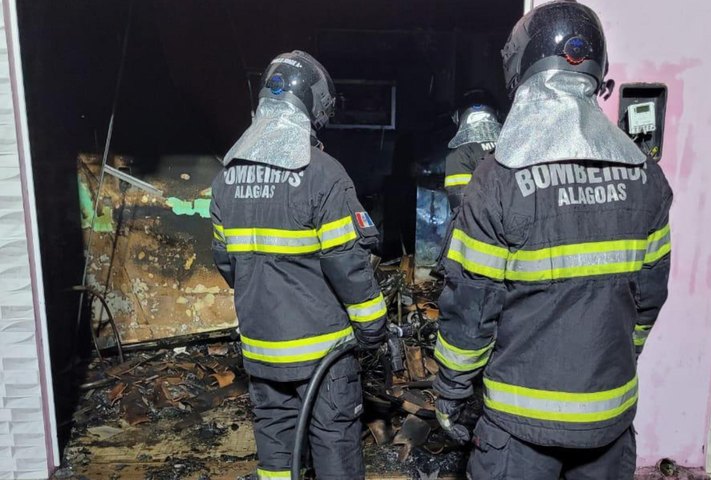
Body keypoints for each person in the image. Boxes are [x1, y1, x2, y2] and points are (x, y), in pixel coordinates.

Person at [432, 2, 673, 479]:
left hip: (520, 428)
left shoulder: (496, 181)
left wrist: (452, 391)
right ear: (597, 74)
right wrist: (617, 355)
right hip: (609, 417)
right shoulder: (647, 178)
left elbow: (472, 306)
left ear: (521, 73)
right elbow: (649, 300)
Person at [210, 50, 386, 480]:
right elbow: (349, 267)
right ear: (309, 105)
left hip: (261, 348)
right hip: (323, 351)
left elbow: (227, 264)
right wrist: (373, 327)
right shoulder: (322, 173)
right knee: (333, 440)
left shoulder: (226, 178)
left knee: (275, 442)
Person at [444, 89, 502, 211]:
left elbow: (460, 206)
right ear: (496, 114)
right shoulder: (513, 144)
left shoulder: (459, 153)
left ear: (458, 117)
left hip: (482, 226)